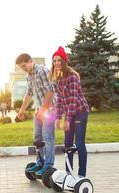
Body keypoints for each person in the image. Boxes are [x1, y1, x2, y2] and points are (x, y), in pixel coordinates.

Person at [50, 46, 89, 177]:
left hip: (80, 111)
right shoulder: (58, 79)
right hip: (70, 113)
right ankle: (68, 173)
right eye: (54, 61)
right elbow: (60, 100)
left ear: (64, 61)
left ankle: (81, 175)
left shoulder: (72, 76)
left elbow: (72, 100)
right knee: (67, 144)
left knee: (78, 143)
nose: (57, 63)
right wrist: (57, 117)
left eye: (59, 60)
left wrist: (67, 119)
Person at [16, 53, 56, 176]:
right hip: (39, 109)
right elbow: (29, 94)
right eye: (21, 67)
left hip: (50, 109)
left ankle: (48, 165)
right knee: (37, 138)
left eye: (24, 66)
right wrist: (22, 110)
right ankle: (40, 163)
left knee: (48, 138)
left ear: (30, 61)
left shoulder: (43, 71)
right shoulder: (29, 76)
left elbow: (52, 89)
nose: (23, 69)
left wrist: (44, 109)